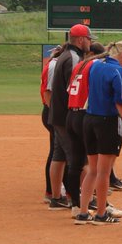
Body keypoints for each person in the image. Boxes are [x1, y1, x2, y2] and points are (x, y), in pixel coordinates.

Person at [78, 42, 122, 224]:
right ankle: (101, 213)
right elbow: (120, 103)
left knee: (92, 169)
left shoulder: (95, 65)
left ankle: (83, 213)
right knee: (104, 172)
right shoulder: (118, 71)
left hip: (89, 119)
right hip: (107, 122)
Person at [45, 24, 92, 210]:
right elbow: (74, 89)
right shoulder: (73, 58)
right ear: (80, 40)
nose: (90, 42)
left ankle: (56, 197)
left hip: (57, 114)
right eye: (88, 38)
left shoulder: (65, 55)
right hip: (67, 115)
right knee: (78, 160)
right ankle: (82, 201)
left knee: (59, 156)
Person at [64, 39, 104, 218]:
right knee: (93, 164)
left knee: (75, 163)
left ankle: (75, 204)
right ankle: (97, 202)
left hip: (71, 114)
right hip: (83, 115)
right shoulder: (93, 66)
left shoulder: (78, 66)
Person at [40, 45, 63, 202]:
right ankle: (50, 191)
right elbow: (48, 93)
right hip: (52, 112)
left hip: (54, 112)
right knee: (57, 152)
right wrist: (55, 115)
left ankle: (56, 188)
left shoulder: (57, 63)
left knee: (58, 151)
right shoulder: (55, 65)